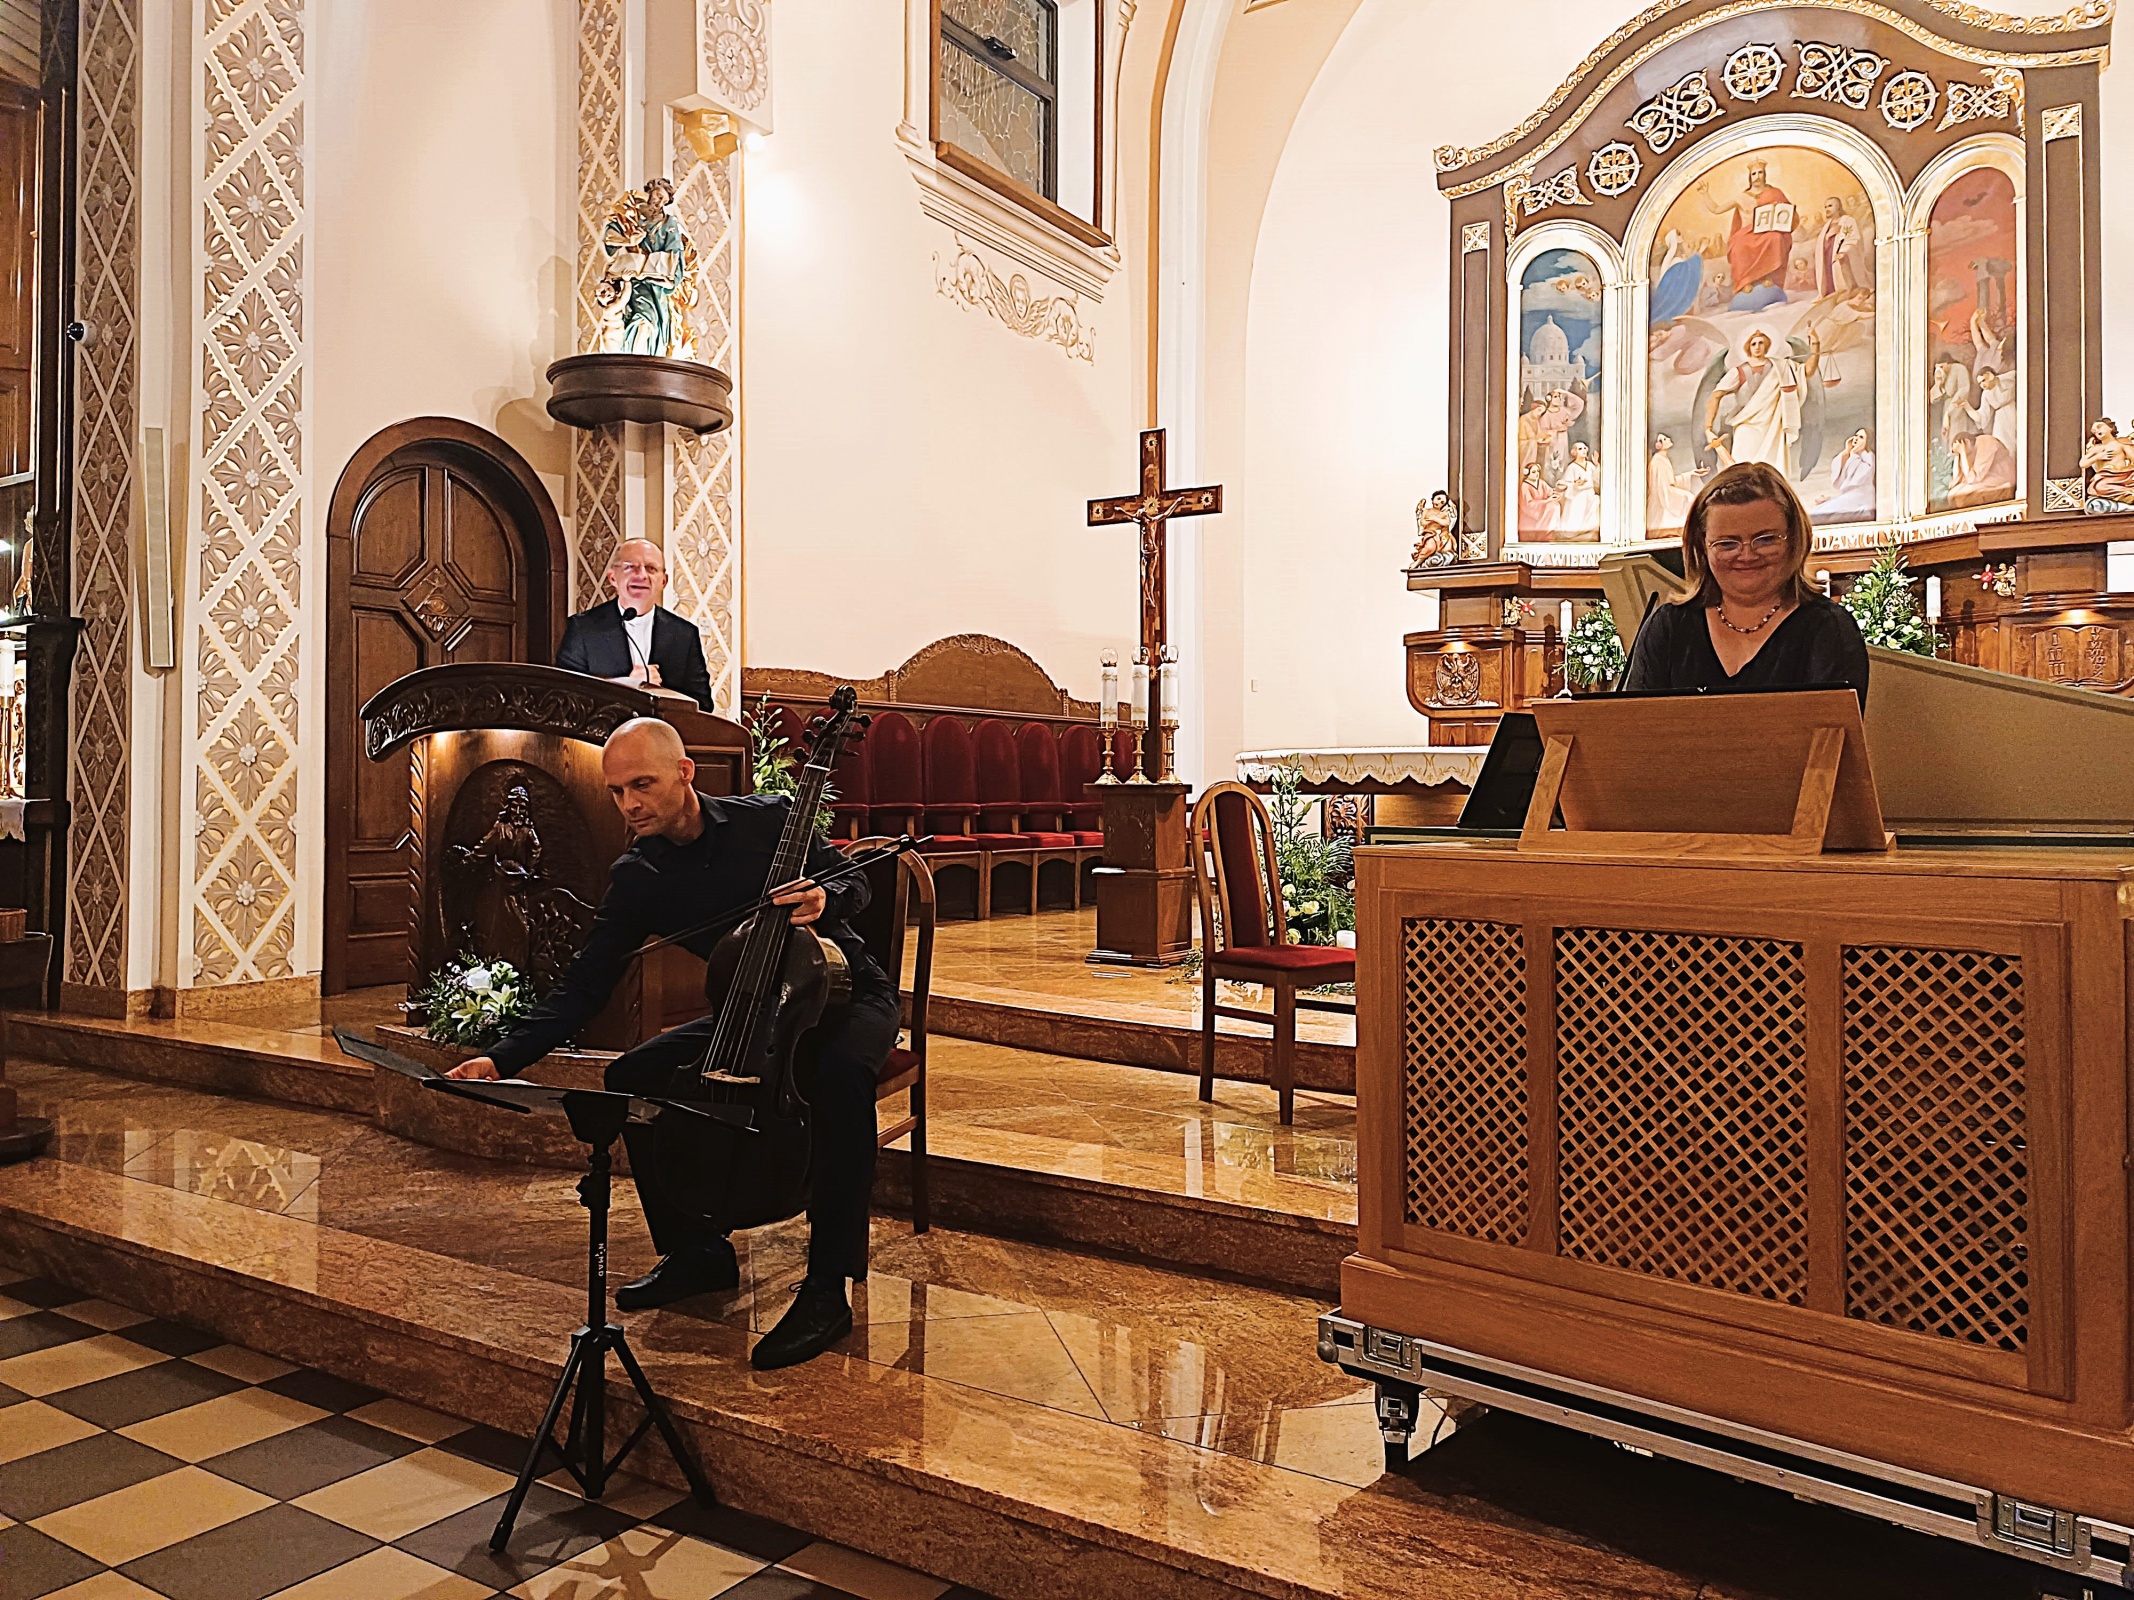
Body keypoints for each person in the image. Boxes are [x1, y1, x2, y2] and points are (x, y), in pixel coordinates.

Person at [446, 718, 900, 1370]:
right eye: (616, 791)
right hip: (750, 1009)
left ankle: (829, 1287)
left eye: (642, 785)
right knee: (634, 1075)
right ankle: (696, 1249)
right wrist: (503, 1056)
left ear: (684, 774)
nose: (629, 804)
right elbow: (584, 988)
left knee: (837, 1078)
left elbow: (860, 882)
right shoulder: (640, 875)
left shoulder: (769, 820)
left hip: (848, 993)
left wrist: (827, 896)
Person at [1622, 461, 1869, 698]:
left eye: (1766, 539)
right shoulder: (1669, 628)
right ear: (1702, 546)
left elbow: (1833, 735)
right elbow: (1634, 731)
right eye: (1727, 543)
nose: (1747, 555)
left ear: (1794, 538)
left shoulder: (1829, 629)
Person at [556, 539, 715, 711]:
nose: (641, 575)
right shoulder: (582, 629)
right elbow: (565, 700)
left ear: (664, 581)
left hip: (664, 736)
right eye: (630, 567)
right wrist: (624, 687)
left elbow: (703, 705)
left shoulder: (684, 634)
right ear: (612, 578)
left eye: (651, 568)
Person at [1706, 328, 1821, 479]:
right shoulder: (1738, 372)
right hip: (1746, 427)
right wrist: (1708, 428)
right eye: (1754, 344)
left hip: (1772, 426)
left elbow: (1808, 370)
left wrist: (1816, 345)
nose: (1758, 346)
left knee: (1772, 473)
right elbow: (1716, 395)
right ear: (1749, 347)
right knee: (1742, 473)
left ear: (1767, 346)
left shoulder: (1781, 367)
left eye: (1761, 343)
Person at [1812, 428, 1876, 522]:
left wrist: (1853, 454)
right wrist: (1847, 451)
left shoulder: (1868, 456)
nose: (1856, 439)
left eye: (1861, 437)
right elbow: (1842, 480)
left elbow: (1857, 478)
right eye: (1856, 435)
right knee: (1819, 511)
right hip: (1851, 496)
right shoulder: (1853, 455)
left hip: (1861, 497)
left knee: (1822, 513)